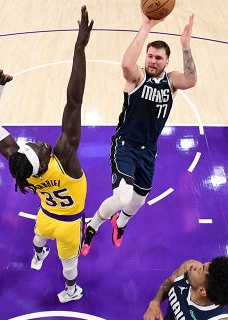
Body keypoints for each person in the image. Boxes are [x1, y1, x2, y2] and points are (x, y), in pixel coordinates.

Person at [0, 6, 93, 303]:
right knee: (70, 264)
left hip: (46, 214)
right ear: (45, 160)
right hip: (70, 223)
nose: (41, 144)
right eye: (41, 149)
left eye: (34, 145)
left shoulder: (22, 167)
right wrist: (79, 49)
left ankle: (38, 254)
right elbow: (75, 99)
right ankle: (70, 291)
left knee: (39, 237)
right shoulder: (65, 158)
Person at [80, 11, 197, 256]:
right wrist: (146, 26)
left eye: (159, 58)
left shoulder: (172, 80)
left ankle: (119, 224)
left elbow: (191, 80)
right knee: (122, 197)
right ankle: (91, 226)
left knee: (138, 200)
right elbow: (126, 65)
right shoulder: (138, 77)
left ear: (167, 61)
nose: (153, 61)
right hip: (125, 145)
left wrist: (186, 46)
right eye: (150, 56)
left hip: (149, 150)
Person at [143, 256, 228, 320]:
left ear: (202, 290)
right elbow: (170, 281)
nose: (196, 266)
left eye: (200, 270)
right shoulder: (188, 268)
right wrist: (155, 302)